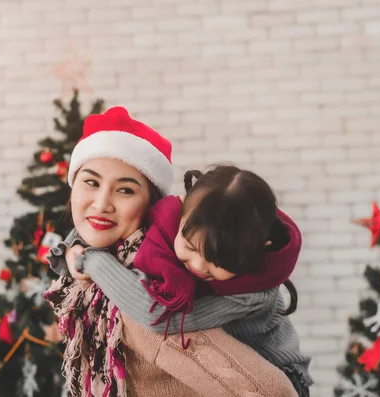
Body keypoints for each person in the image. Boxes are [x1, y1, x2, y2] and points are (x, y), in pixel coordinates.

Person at [44, 106, 299, 397]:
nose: (102, 204)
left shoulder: (150, 288)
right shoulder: (123, 252)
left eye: (125, 190)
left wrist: (91, 260)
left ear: (151, 204)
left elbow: (272, 392)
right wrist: (74, 253)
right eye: (91, 182)